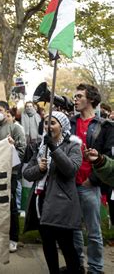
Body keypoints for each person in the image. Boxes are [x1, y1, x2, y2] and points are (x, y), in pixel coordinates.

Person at [23, 111, 82, 274]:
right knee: (48, 244)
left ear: (62, 126)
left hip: (62, 204)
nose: (49, 126)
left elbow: (70, 170)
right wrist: (39, 169)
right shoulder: (41, 147)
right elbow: (27, 173)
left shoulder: (73, 145)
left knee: (66, 245)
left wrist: (54, 148)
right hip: (41, 202)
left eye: (53, 123)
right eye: (46, 123)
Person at [71, 84, 114, 274]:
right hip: (70, 185)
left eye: (79, 96)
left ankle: (96, 269)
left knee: (93, 231)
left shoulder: (105, 126)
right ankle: (77, 265)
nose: (75, 99)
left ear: (90, 100)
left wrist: (94, 180)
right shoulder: (70, 123)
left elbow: (108, 158)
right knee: (74, 229)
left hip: (89, 186)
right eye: (75, 96)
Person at [0, 101, 26, 253]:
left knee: (11, 206)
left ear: (7, 112)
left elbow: (22, 152)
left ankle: (13, 238)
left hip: (10, 173)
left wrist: (12, 146)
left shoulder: (15, 128)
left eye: (0, 110)